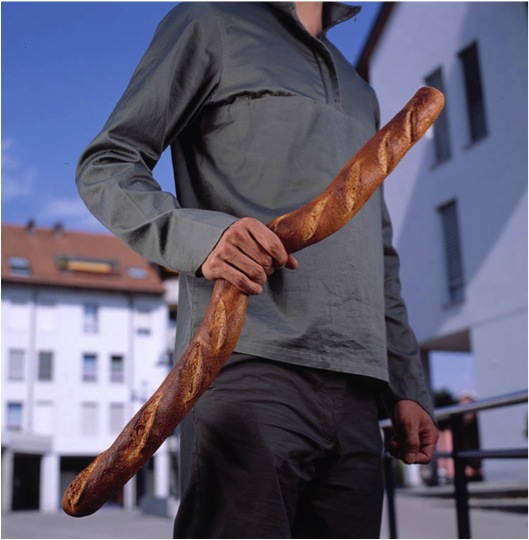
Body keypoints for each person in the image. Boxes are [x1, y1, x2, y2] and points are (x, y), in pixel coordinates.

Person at [76, 2, 438, 538]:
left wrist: (407, 384)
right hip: (247, 364)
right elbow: (107, 164)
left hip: (359, 388)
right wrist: (203, 238)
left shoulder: (360, 88)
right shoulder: (211, 22)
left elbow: (378, 248)